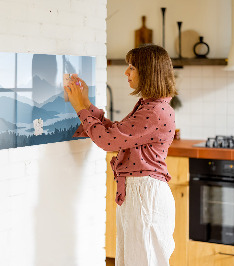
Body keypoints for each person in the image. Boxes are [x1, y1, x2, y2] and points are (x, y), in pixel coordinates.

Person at [65, 44, 177, 266]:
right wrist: (86, 103)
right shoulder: (150, 106)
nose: (126, 72)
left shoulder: (154, 111)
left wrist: (80, 108)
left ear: (148, 72)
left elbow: (108, 141)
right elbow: (116, 133)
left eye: (132, 67)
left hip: (145, 195)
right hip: (140, 193)